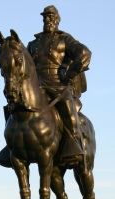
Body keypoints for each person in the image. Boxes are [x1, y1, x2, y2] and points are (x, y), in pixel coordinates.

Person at [27, 5, 92, 164]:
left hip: (58, 84)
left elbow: (84, 53)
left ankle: (74, 143)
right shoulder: (33, 44)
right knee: (15, 106)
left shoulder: (64, 39)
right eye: (45, 17)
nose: (48, 20)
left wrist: (70, 74)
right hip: (36, 86)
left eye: (51, 17)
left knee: (68, 110)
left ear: (57, 20)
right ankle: (12, 146)